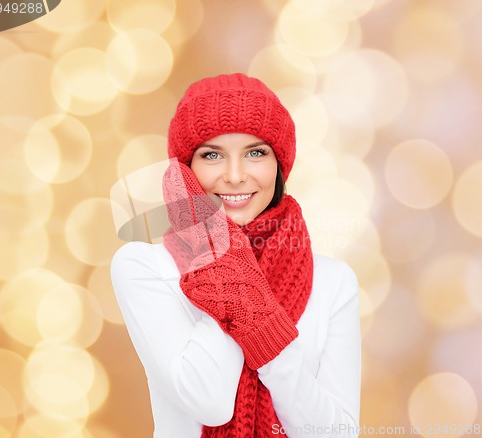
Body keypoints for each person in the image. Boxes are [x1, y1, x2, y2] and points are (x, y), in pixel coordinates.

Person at [110, 73, 361, 437]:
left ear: (279, 165)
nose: (235, 175)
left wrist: (264, 329)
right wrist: (224, 266)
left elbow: (336, 434)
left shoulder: (334, 280)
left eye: (255, 153)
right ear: (185, 170)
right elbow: (209, 401)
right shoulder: (143, 267)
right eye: (212, 155)